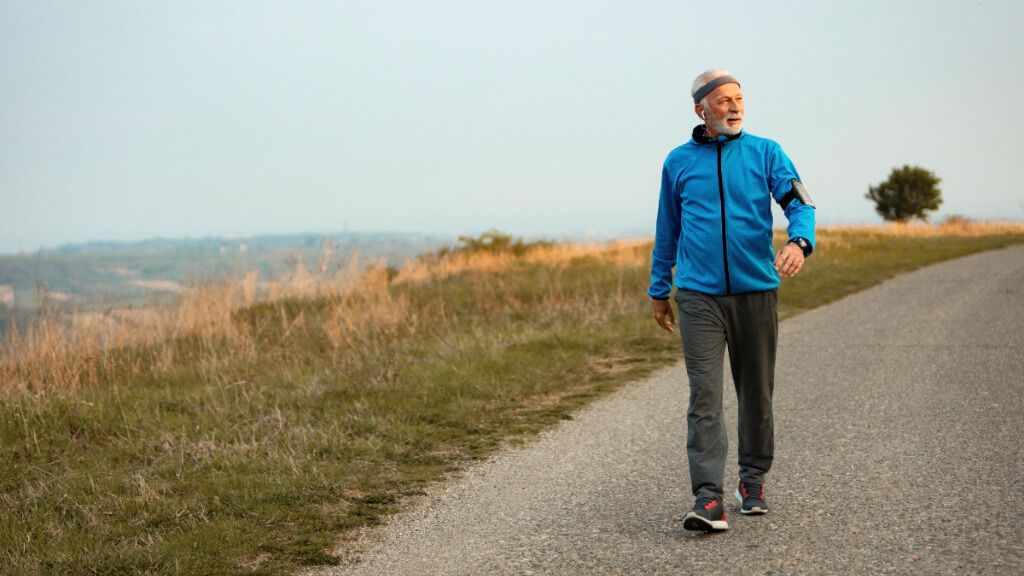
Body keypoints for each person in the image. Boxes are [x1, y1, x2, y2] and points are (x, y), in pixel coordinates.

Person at [648, 69, 816, 532]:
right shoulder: (677, 162)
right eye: (723, 100)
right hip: (699, 296)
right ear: (701, 109)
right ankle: (708, 498)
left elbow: (800, 202)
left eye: (739, 98)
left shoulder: (766, 152)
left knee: (756, 393)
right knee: (704, 395)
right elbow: (668, 228)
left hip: (756, 292)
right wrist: (659, 287)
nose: (734, 107)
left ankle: (753, 480)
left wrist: (799, 242)